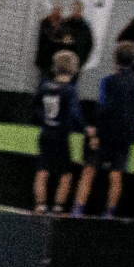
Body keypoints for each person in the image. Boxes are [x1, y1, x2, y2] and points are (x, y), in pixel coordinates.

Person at [77, 40, 134, 218]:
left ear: (115, 58)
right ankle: (109, 213)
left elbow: (103, 108)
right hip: (123, 137)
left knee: (89, 171)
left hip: (105, 134)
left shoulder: (108, 81)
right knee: (116, 175)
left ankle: (78, 210)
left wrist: (95, 134)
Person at [32, 49, 83, 215]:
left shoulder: (45, 86)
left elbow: (36, 107)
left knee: (42, 169)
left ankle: (40, 205)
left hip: (46, 133)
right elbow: (75, 114)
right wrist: (84, 128)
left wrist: (44, 120)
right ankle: (58, 207)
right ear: (72, 68)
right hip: (61, 136)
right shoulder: (70, 90)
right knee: (66, 173)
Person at [58, 0, 95, 71]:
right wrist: (63, 42)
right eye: (74, 9)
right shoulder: (65, 24)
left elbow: (89, 45)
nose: (76, 12)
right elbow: (56, 39)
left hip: (77, 62)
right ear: (72, 10)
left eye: (78, 10)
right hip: (63, 61)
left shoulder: (85, 27)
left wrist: (82, 61)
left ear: (81, 11)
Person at [34, 3, 66, 80]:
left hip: (56, 59)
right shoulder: (45, 22)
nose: (57, 12)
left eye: (59, 10)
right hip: (45, 57)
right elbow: (47, 37)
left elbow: (63, 38)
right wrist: (61, 40)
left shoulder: (63, 24)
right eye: (56, 10)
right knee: (44, 79)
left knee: (53, 80)